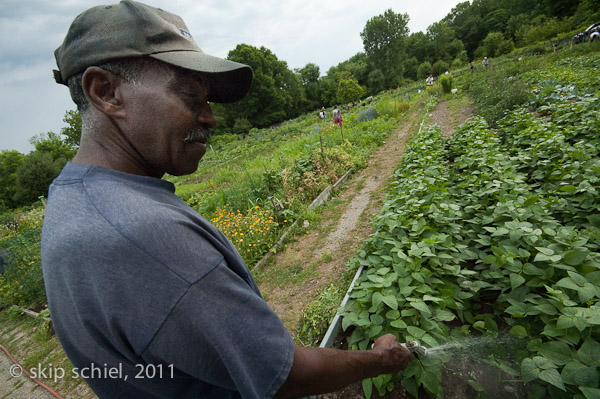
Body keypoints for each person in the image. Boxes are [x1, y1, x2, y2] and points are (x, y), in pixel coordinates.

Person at [41, 1, 414, 398]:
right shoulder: (144, 234)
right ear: (106, 91)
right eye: (190, 96)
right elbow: (285, 374)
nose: (210, 117)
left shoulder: (72, 200)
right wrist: (380, 359)